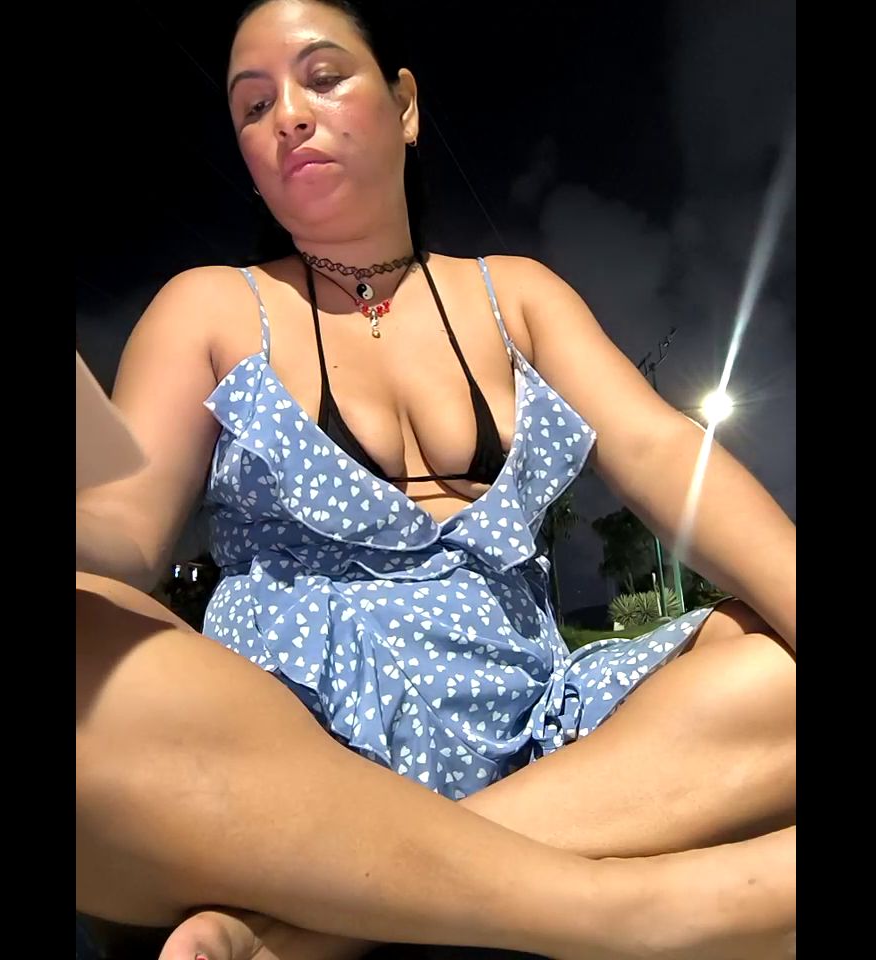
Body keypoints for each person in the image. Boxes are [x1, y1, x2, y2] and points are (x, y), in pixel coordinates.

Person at [76, 1, 796, 956]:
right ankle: (628, 906)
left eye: (322, 77)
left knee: (777, 660)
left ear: (405, 105)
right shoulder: (205, 307)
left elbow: (661, 450)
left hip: (547, 734)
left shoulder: (516, 295)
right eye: (253, 105)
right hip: (290, 757)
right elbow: (123, 531)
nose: (288, 115)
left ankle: (319, 928)